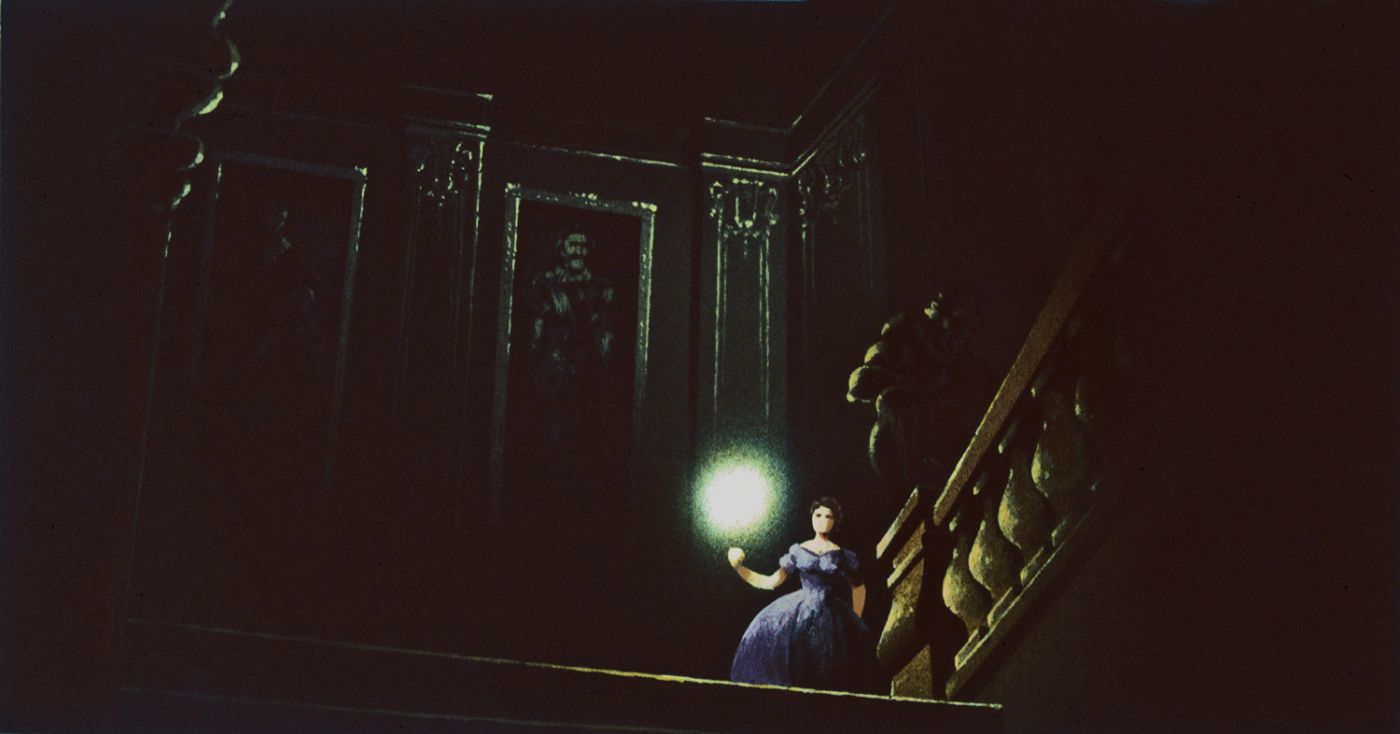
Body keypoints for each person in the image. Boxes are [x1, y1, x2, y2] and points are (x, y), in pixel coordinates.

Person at [726, 497, 887, 693]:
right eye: (818, 515)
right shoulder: (799, 551)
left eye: (828, 516)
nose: (822, 521)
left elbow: (858, 587)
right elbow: (771, 582)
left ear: (835, 521)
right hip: (800, 612)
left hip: (832, 614)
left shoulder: (841, 555)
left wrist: (855, 619)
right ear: (812, 518)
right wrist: (740, 569)